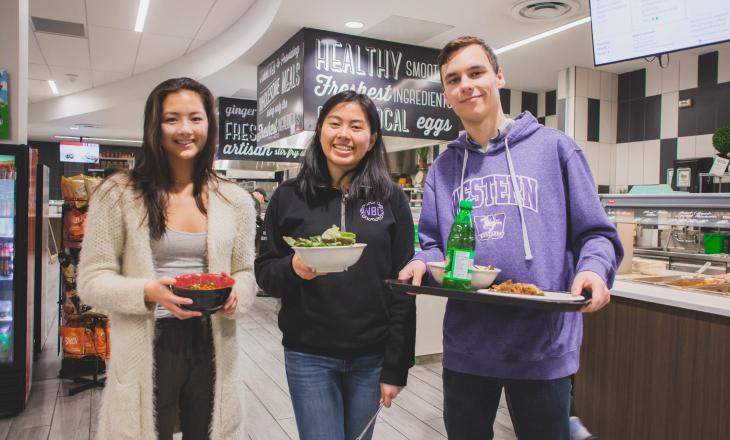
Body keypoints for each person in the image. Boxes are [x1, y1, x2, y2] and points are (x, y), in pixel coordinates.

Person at [398, 36, 623, 439]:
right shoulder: (444, 168)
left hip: (542, 343)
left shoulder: (556, 149)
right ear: (447, 94)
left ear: (498, 76)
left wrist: (594, 270)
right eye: (454, 79)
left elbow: (596, 233)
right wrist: (420, 259)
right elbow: (431, 242)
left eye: (476, 72)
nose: (466, 84)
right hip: (469, 345)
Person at [77, 77, 257, 440]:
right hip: (149, 339)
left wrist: (238, 293)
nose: (185, 129)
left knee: (207, 431)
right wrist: (147, 291)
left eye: (195, 118)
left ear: (210, 124)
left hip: (213, 340)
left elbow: (245, 271)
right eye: (171, 118)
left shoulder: (234, 199)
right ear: (154, 126)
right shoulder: (118, 193)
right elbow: (91, 279)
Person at [255, 90, 416, 440]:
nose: (344, 134)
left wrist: (396, 365)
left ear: (372, 139)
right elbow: (265, 272)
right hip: (307, 353)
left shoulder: (391, 198)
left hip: (371, 357)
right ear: (320, 131)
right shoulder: (289, 196)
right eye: (335, 123)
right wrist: (293, 269)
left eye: (357, 126)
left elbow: (404, 287)